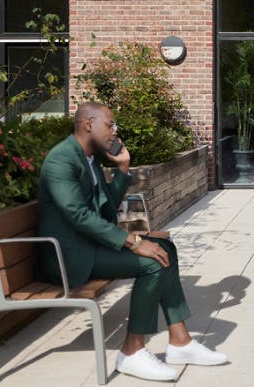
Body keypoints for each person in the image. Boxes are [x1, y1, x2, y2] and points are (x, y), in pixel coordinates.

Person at [36, 101, 228, 382]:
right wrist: (133, 241)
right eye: (109, 125)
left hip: (89, 246)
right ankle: (132, 351)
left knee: (165, 249)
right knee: (151, 264)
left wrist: (124, 168)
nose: (114, 131)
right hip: (69, 257)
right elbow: (77, 216)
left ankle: (181, 343)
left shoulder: (89, 159)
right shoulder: (61, 160)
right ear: (88, 124)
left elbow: (107, 209)